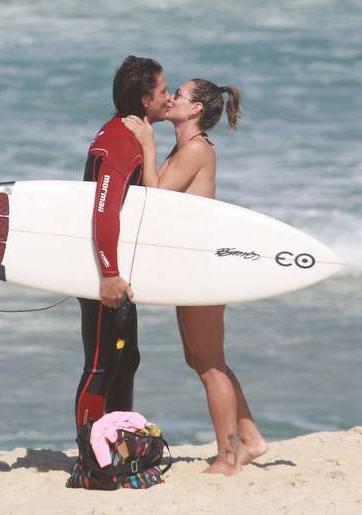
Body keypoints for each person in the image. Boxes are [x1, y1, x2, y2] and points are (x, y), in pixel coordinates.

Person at [122, 79, 267, 475]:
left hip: (202, 269)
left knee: (209, 365)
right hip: (192, 267)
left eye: (179, 96)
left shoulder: (197, 150)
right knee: (203, 359)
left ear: (196, 109)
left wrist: (146, 143)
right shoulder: (185, 148)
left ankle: (228, 455)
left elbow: (156, 198)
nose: (170, 99)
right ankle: (251, 439)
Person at [75, 56, 171, 428]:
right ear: (145, 101)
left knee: (126, 358)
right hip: (105, 273)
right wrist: (110, 274)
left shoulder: (130, 135)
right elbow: (103, 210)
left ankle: (117, 441)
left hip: (115, 270)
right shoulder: (119, 142)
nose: (169, 96)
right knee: (101, 364)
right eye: (163, 90)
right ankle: (91, 455)